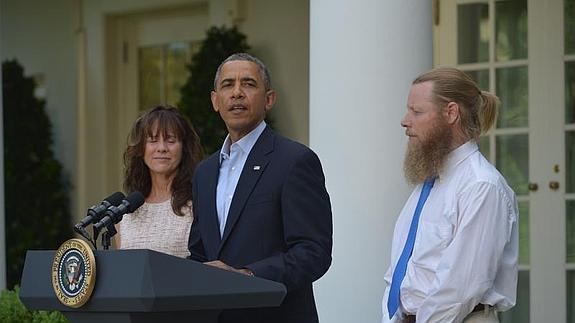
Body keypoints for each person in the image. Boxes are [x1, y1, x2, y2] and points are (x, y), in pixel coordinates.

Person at [188, 53, 333, 323]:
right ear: (215, 101)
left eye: (249, 84)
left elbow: (314, 252)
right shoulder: (204, 172)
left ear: (269, 99)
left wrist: (248, 275)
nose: (237, 93)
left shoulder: (294, 161)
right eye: (228, 85)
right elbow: (199, 253)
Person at [381, 67, 519, 323]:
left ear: (451, 113)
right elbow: (401, 269)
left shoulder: (482, 186)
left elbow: (461, 287)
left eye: (417, 111)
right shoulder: (429, 183)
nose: (404, 120)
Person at [117, 105, 203, 258]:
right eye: (153, 140)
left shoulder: (198, 204)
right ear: (140, 149)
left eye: (170, 140)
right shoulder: (125, 213)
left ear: (184, 148)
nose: (162, 148)